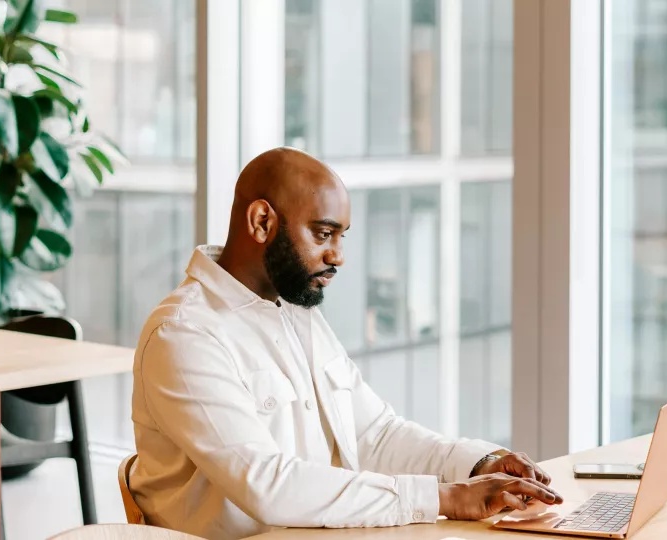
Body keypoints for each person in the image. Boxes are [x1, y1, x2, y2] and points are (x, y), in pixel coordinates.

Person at [130, 147, 563, 539]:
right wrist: (445, 498)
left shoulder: (297, 313)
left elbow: (375, 434)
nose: (338, 256)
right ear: (262, 222)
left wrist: (477, 464)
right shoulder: (184, 334)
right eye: (323, 234)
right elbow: (266, 484)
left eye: (341, 236)